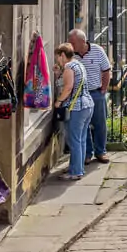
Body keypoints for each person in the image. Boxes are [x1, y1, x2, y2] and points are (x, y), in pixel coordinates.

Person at [69, 29, 111, 164]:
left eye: (73, 42)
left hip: (96, 92)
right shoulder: (72, 55)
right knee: (83, 126)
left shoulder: (97, 51)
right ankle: (87, 153)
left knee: (100, 124)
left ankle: (101, 151)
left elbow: (106, 71)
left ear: (82, 41)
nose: (71, 44)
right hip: (79, 95)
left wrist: (103, 89)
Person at [54, 43, 94, 181]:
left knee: (74, 140)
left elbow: (68, 87)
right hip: (87, 105)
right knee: (81, 139)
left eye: (58, 57)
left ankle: (76, 172)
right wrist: (58, 73)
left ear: (63, 55)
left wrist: (58, 101)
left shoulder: (69, 67)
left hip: (76, 108)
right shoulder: (78, 64)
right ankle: (77, 168)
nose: (57, 60)